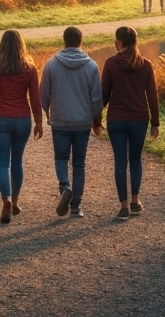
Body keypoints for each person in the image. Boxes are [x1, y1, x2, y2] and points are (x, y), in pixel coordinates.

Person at [38, 26, 103, 218]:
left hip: (60, 120)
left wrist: (47, 111)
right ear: (80, 42)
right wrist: (96, 119)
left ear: (64, 41)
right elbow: (96, 97)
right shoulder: (91, 65)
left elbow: (43, 93)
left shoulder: (51, 64)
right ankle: (76, 206)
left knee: (60, 157)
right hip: (82, 121)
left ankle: (64, 186)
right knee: (79, 162)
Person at [0, 29, 43, 224]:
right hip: (22, 118)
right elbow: (35, 98)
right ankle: (15, 202)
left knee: (2, 163)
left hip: (0, 118)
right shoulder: (30, 68)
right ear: (21, 45)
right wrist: (39, 122)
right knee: (17, 162)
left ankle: (6, 199)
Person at [101, 26, 160, 221]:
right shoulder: (145, 65)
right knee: (135, 160)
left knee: (120, 162)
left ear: (119, 42)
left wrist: (95, 118)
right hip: (138, 119)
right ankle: (135, 201)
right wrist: (155, 123)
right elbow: (152, 97)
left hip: (116, 119)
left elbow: (104, 96)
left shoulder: (110, 64)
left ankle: (123, 207)